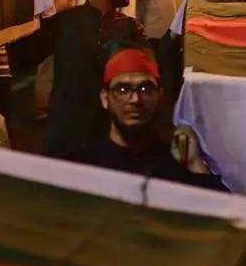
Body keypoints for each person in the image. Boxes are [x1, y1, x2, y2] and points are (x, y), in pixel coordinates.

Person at [69, 43, 225, 190]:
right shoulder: (80, 168)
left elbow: (224, 206)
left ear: (160, 96)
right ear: (105, 98)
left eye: (145, 89)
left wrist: (195, 163)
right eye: (123, 90)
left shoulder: (176, 168)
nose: (135, 99)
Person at [47, 0, 146, 158]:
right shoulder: (66, 22)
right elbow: (26, 56)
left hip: (110, 134)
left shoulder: (129, 28)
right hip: (67, 132)